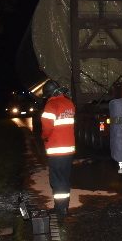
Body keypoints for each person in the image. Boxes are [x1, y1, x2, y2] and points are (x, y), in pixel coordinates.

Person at [40, 80, 76, 217]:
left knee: (56, 180)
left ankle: (60, 209)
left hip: (56, 150)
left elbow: (46, 128)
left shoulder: (51, 105)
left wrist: (44, 137)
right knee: (65, 178)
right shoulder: (69, 103)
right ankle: (64, 207)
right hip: (69, 150)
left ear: (48, 93)